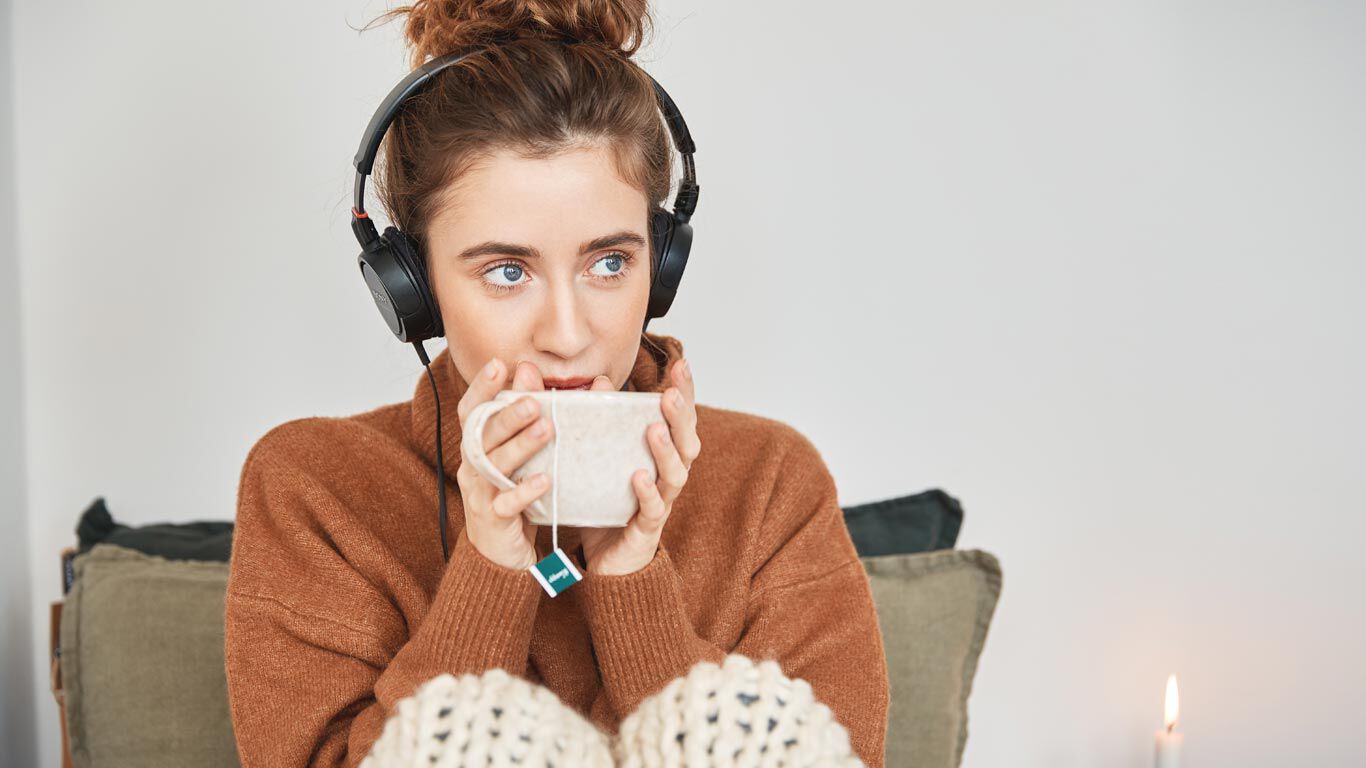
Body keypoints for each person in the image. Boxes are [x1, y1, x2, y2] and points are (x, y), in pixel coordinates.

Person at [222, 1, 889, 766]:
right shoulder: (315, 487)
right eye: (507, 272)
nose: (569, 334)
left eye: (610, 263)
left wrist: (634, 581)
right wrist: (491, 569)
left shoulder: (771, 481)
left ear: (660, 262)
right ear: (415, 288)